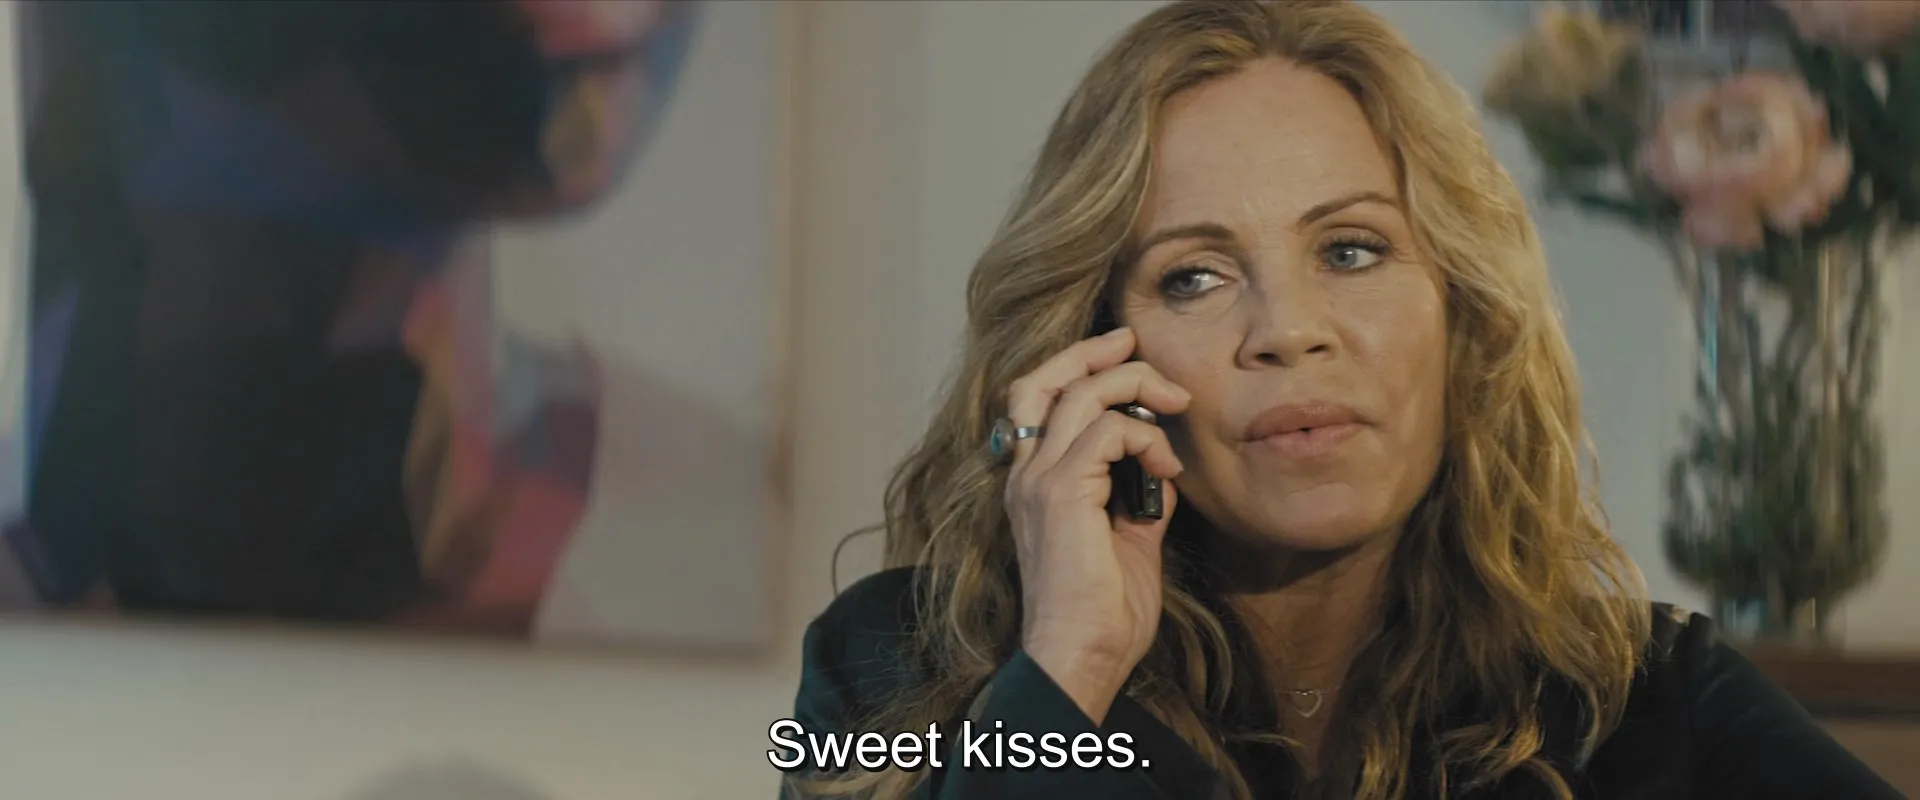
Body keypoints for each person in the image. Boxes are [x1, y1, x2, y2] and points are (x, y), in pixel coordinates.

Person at [781, 1, 1903, 798]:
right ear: (1092, 350)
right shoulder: (895, 663)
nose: (1288, 329)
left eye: (1353, 250)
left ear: (1461, 308)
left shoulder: (1646, 706)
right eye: (1194, 277)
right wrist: (1069, 664)